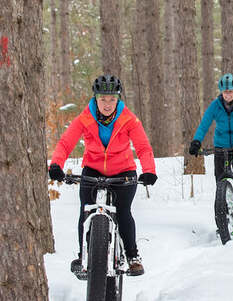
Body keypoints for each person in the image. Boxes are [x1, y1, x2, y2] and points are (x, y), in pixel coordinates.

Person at [48, 74, 157, 277]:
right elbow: (66, 142)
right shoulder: (85, 118)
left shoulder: (129, 119)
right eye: (103, 99)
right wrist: (56, 164)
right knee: (85, 211)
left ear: (118, 99)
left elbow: (142, 146)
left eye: (112, 99)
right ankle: (83, 257)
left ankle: (132, 256)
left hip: (123, 171)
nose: (107, 104)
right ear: (95, 98)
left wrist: (149, 170)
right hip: (93, 169)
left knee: (123, 211)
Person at [189, 73, 233, 201]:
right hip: (221, 143)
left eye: (230, 91)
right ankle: (223, 201)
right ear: (221, 92)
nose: (228, 94)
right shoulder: (215, 106)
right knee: (219, 174)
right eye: (225, 92)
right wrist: (196, 141)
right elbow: (204, 125)